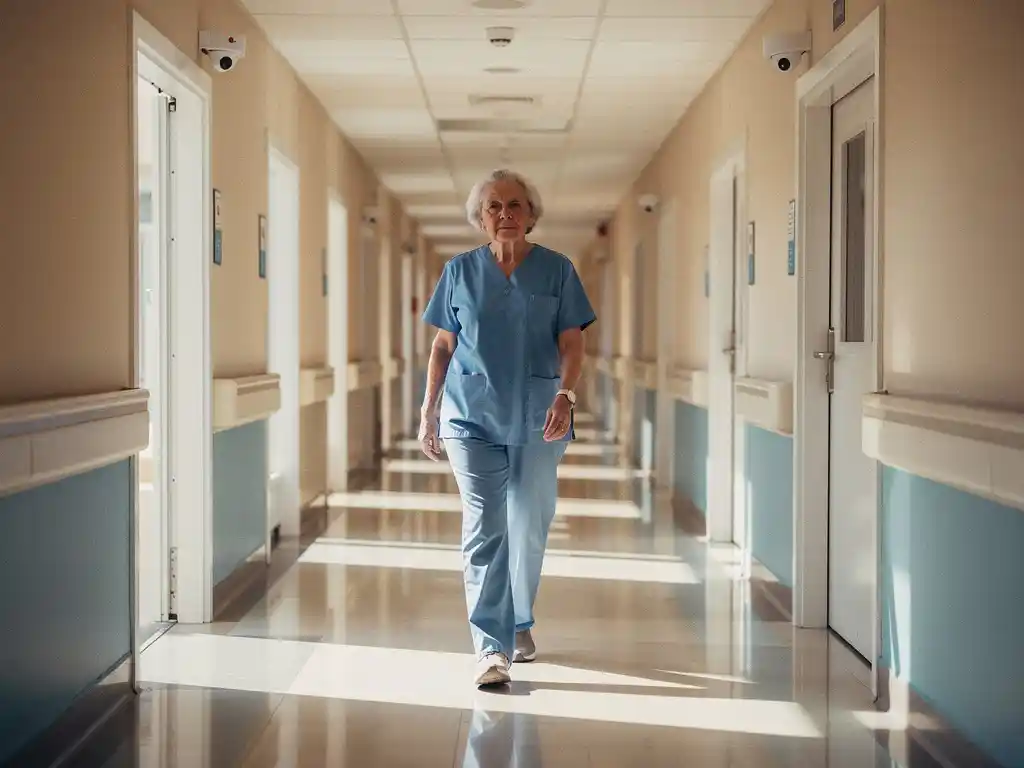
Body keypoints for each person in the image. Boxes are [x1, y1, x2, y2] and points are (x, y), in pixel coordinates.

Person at [419, 168, 596, 687]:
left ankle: (519, 619)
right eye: (494, 206)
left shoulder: (558, 271)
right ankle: (490, 647)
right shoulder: (458, 272)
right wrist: (428, 409)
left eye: (515, 205)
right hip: (469, 414)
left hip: (542, 412)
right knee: (485, 526)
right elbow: (443, 345)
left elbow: (573, 341)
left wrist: (566, 393)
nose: (505, 214)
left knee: (529, 521)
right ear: (480, 218)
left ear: (532, 214)